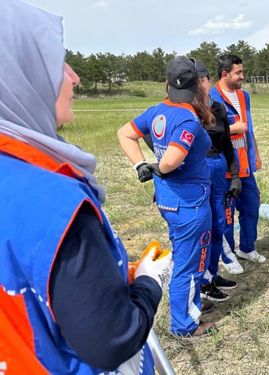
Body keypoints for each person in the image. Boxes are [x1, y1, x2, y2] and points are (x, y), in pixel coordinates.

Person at [0, 0, 170, 372]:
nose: (74, 77)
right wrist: (148, 284)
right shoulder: (54, 203)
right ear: (19, 74)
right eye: (57, 61)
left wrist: (110, 275)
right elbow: (113, 339)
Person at [118, 56, 215, 337]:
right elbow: (172, 160)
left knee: (185, 255)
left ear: (167, 84)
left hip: (170, 200)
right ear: (197, 85)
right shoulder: (188, 118)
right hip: (189, 204)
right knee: (188, 261)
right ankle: (184, 324)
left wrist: (141, 165)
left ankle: (189, 302)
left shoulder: (156, 111)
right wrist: (157, 167)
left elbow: (124, 133)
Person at [210, 54, 266, 270]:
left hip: (245, 165)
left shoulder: (244, 96)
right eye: (238, 73)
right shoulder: (210, 96)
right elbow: (207, 130)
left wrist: (256, 155)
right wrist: (232, 129)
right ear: (225, 74)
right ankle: (228, 255)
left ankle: (247, 247)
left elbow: (248, 127)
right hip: (224, 168)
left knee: (251, 205)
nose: (243, 76)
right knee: (226, 214)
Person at [194, 59, 241, 302]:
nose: (201, 85)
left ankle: (211, 275)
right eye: (196, 81)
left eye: (203, 80)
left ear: (208, 81)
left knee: (219, 224)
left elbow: (228, 146)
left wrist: (234, 175)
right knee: (204, 227)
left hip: (219, 169)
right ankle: (200, 280)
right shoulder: (185, 111)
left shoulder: (219, 109)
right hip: (199, 173)